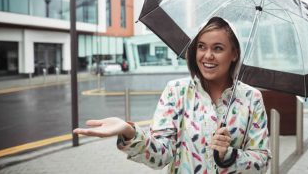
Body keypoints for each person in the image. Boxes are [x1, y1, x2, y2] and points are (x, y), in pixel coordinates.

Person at [73, 17, 270, 173]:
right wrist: (129, 132)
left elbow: (261, 162)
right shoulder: (177, 92)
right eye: (201, 46)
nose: (207, 55)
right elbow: (161, 156)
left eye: (218, 48)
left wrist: (228, 156)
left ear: (234, 53)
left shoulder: (251, 98)